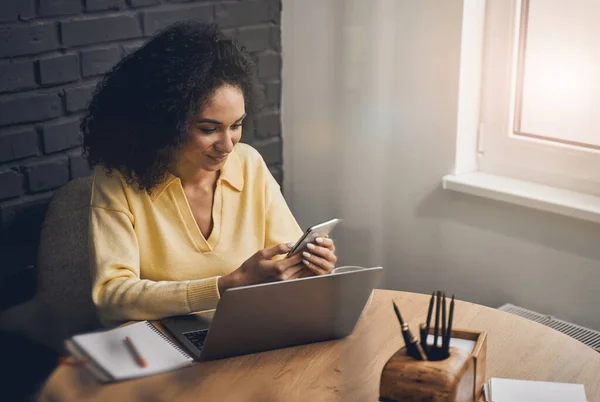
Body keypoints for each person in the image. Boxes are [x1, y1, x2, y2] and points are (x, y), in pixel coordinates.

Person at [82, 22, 337, 324]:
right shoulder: (117, 180)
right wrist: (224, 286)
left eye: (236, 125)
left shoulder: (248, 164)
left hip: (245, 327)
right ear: (165, 123)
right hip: (162, 340)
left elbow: (283, 261)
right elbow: (111, 296)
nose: (227, 145)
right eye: (209, 129)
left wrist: (307, 269)